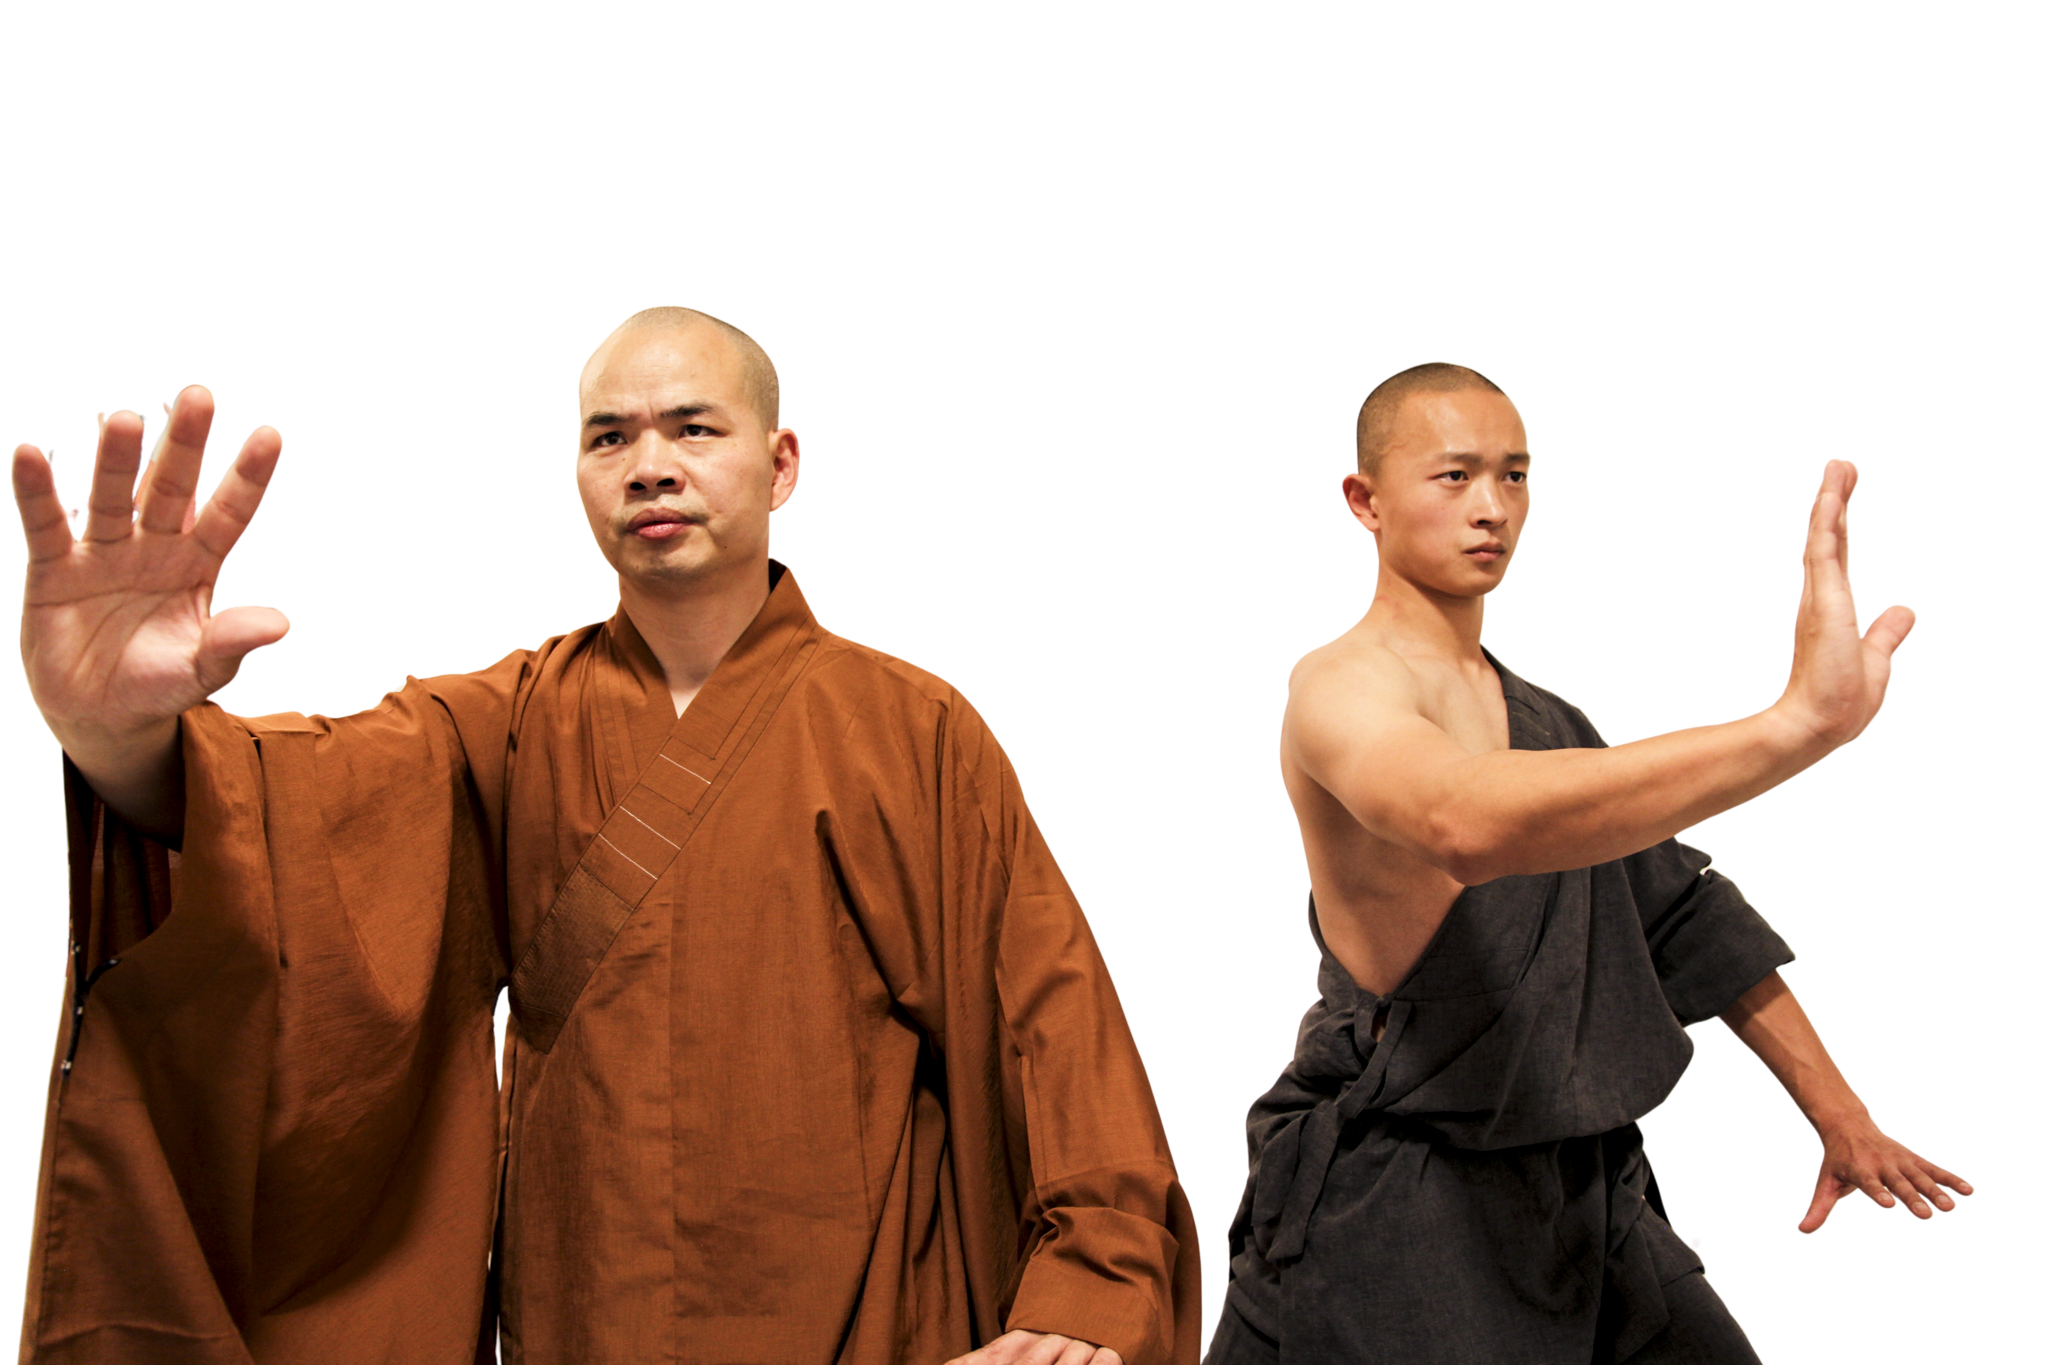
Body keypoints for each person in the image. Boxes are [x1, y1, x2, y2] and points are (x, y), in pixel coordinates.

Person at [12, 307, 1201, 1365]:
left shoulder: (910, 730)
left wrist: (1097, 1280)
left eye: (692, 429)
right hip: (581, 1305)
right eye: (608, 437)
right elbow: (274, 820)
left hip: (855, 1311)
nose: (649, 467)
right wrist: (115, 729)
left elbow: (1046, 1018)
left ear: (781, 463)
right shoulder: (503, 722)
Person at [1207, 363, 1970, 1364]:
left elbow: (1682, 919)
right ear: (1365, 499)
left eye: (1514, 475)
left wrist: (1840, 1115)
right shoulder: (1337, 691)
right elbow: (1460, 817)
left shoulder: (1550, 724)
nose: (1492, 507)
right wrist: (1791, 728)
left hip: (1583, 1189)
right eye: (1453, 476)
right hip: (1404, 1191)